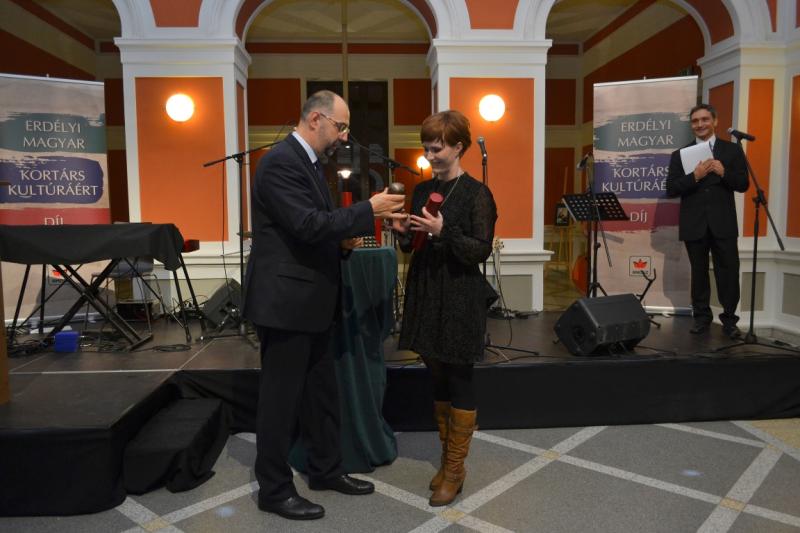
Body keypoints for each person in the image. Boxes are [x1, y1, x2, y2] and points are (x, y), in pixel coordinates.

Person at [242, 90, 405, 520]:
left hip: (310, 302)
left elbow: (313, 231)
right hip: (286, 304)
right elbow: (307, 225)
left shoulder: (309, 163)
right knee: (280, 403)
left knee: (321, 395)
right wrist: (369, 209)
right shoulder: (280, 162)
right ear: (316, 119)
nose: (344, 135)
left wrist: (342, 242)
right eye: (341, 126)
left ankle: (325, 470)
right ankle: (274, 490)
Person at [392, 110, 497, 507]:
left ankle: (455, 470)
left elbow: (479, 251)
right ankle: (446, 460)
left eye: (437, 148)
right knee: (435, 375)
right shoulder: (422, 191)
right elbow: (414, 247)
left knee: (459, 378)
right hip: (427, 289)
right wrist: (404, 235)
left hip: (459, 294)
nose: (430, 155)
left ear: (458, 147)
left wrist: (444, 231)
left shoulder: (477, 194)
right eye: (427, 148)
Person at [666, 103, 749, 339]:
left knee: (728, 273)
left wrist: (724, 172)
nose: (700, 124)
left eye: (704, 119)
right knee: (699, 273)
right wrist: (695, 176)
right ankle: (702, 318)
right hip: (694, 224)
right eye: (695, 121)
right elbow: (671, 189)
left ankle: (730, 321)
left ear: (715, 121)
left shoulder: (732, 151)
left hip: (723, 223)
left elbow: (743, 184)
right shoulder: (680, 155)